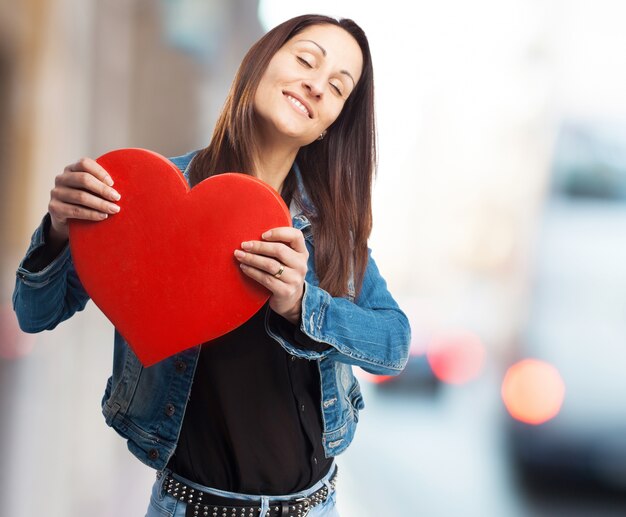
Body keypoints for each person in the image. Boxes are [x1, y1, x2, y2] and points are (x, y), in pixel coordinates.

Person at [12, 14, 411, 517]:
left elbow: (393, 344)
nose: (315, 84)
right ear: (260, 62)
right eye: (306, 60)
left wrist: (302, 306)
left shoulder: (329, 228)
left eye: (336, 88)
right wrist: (59, 230)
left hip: (315, 506)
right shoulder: (145, 196)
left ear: (331, 123)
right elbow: (34, 312)